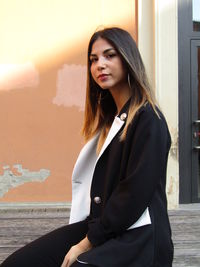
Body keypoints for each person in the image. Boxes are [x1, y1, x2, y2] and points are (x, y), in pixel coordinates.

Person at [1, 27, 174, 267]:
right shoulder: (111, 123)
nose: (100, 65)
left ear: (128, 59)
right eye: (93, 60)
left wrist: (85, 243)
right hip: (104, 227)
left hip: (138, 237)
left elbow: (133, 194)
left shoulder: (148, 119)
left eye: (109, 55)